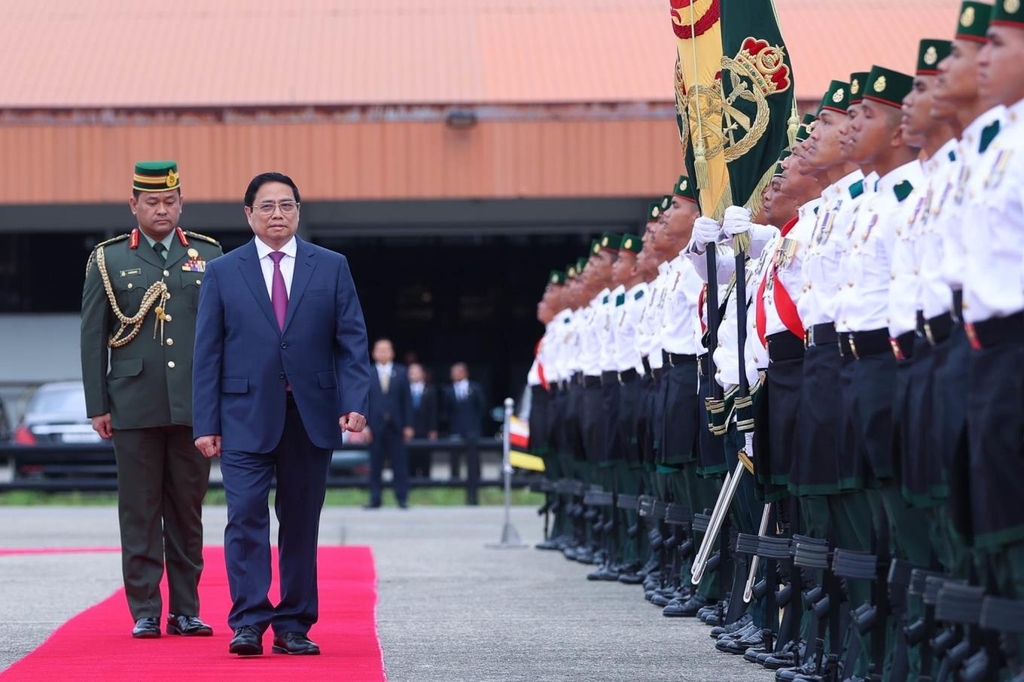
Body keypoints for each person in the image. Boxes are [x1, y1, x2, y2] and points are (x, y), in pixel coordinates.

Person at [191, 171, 371, 657]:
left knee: (299, 521)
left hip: (310, 414)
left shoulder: (330, 266)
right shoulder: (223, 272)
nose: (277, 215)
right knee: (245, 515)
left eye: (286, 206)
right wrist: (205, 422)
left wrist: (355, 402)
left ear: (298, 211)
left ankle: (293, 624)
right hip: (243, 413)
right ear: (248, 214)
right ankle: (248, 620)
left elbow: (351, 340)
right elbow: (206, 353)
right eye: (266, 206)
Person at [81, 160, 222, 639]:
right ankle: (144, 609)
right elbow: (91, 337)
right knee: (139, 510)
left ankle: (186, 609)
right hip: (133, 404)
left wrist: (219, 403)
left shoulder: (207, 254)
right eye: (152, 202)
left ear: (181, 203)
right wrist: (97, 404)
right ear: (134, 205)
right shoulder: (108, 259)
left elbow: (220, 336)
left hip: (193, 406)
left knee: (187, 510)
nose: (162, 209)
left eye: (169, 201)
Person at [365, 338, 414, 509]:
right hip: (375, 426)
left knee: (399, 464)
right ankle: (375, 498)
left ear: (392, 352)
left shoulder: (401, 372)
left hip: (396, 426)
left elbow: (407, 401)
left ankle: (402, 498)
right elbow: (364, 400)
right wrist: (364, 426)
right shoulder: (367, 372)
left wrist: (408, 425)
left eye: (387, 349)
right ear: (374, 353)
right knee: (375, 464)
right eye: (380, 349)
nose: (383, 352)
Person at [441, 362, 487, 505]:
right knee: (455, 454)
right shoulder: (448, 391)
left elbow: (481, 408)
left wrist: (476, 425)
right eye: (453, 372)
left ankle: (477, 479)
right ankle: (455, 479)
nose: (455, 374)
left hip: (472, 428)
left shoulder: (475, 388)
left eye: (458, 372)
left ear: (465, 373)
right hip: (455, 428)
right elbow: (446, 411)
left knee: (474, 457)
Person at [408, 362, 439, 479]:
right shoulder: (404, 390)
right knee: (410, 457)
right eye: (411, 372)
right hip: (409, 429)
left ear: (422, 374)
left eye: (416, 372)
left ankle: (426, 481)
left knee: (425, 456)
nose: (413, 375)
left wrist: (433, 429)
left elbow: (433, 412)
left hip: (425, 429)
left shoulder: (430, 390)